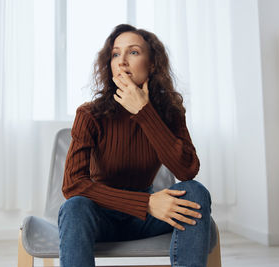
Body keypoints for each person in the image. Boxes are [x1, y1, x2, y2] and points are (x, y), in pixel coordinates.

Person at [58, 24, 212, 267]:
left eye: (133, 52)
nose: (122, 62)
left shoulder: (170, 112)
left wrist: (144, 112)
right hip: (102, 215)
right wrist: (146, 203)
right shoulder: (90, 114)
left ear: (152, 65)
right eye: (116, 54)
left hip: (148, 219)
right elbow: (73, 184)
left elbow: (187, 170)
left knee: (195, 191)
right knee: (75, 206)